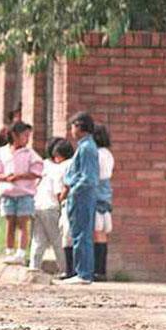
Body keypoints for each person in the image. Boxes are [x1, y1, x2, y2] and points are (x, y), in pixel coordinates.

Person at [0, 121, 43, 265]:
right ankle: (9, 251)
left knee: (23, 223)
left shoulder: (30, 153)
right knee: (10, 223)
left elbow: (37, 172)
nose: (27, 139)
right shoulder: (2, 152)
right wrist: (6, 177)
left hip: (24, 193)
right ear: (14, 135)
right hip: (8, 193)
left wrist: (20, 176)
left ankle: (21, 253)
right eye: (24, 135)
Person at [61, 111, 99, 284]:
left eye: (73, 126)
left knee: (82, 235)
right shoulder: (85, 147)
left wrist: (73, 190)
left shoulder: (86, 148)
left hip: (82, 196)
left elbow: (88, 178)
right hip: (81, 196)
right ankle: (82, 271)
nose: (72, 130)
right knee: (80, 234)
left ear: (80, 126)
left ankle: (83, 272)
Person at [29, 137, 72, 275]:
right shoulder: (61, 167)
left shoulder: (44, 165)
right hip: (51, 207)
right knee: (57, 241)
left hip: (37, 204)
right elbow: (58, 191)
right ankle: (65, 269)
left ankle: (33, 267)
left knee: (38, 240)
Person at [93, 125, 114, 281]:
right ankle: (101, 269)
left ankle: (97, 269)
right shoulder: (108, 154)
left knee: (97, 232)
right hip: (106, 194)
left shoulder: (97, 154)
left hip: (97, 193)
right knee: (102, 233)